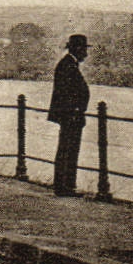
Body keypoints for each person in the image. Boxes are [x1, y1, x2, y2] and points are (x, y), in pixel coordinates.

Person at [45, 34, 91, 197]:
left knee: (68, 149)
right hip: (71, 116)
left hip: (71, 115)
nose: (86, 53)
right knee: (68, 149)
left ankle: (65, 185)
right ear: (77, 49)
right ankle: (65, 186)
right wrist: (75, 111)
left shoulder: (68, 64)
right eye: (84, 49)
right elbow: (67, 93)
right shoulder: (68, 66)